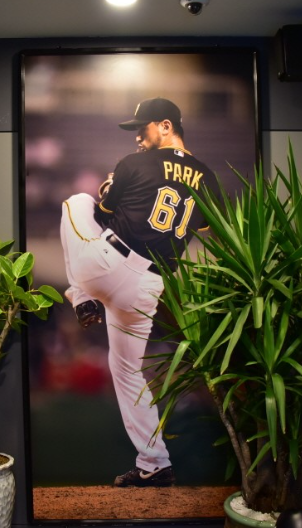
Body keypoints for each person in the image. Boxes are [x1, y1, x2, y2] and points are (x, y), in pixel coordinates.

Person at [59, 97, 218, 487]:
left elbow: (103, 210)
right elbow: (205, 228)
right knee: (130, 371)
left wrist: (110, 186)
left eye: (141, 128)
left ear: (165, 125)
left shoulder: (134, 164)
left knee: (76, 202)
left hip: (107, 264)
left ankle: (81, 296)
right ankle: (155, 463)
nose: (137, 137)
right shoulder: (207, 177)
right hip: (149, 285)